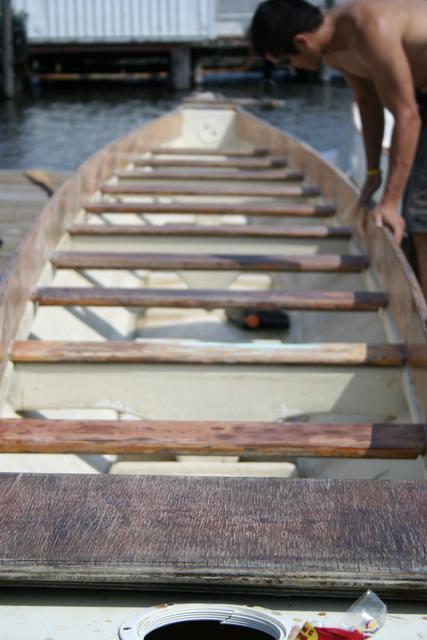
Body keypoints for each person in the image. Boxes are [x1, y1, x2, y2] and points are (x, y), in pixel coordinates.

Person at [249, 0, 427, 295]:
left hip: (418, 103)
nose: (292, 69)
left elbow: (407, 115)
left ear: (301, 41)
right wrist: (372, 175)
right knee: (410, 214)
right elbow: (368, 104)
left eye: (285, 62)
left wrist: (389, 203)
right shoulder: (335, 50)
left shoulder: (369, 28)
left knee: (419, 215)